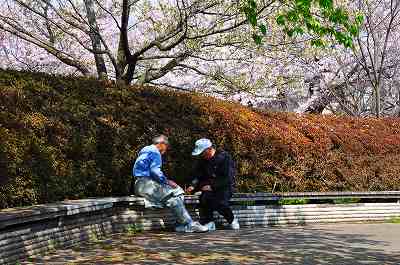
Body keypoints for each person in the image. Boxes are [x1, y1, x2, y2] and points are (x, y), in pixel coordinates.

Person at [132, 135, 208, 233]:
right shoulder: (155, 152)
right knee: (174, 197)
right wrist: (167, 181)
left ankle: (180, 224)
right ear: (161, 144)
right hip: (146, 184)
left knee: (178, 192)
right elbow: (155, 171)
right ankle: (189, 224)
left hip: (141, 185)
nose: (166, 149)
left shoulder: (145, 150)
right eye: (166, 146)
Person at [187, 138, 240, 230]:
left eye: (202, 152)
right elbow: (198, 175)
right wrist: (193, 185)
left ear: (209, 149)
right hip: (208, 188)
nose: (201, 155)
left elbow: (228, 177)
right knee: (204, 198)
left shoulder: (224, 157)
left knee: (220, 202)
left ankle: (232, 220)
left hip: (225, 186)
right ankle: (209, 222)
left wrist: (212, 186)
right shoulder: (202, 160)